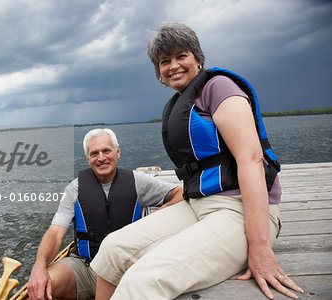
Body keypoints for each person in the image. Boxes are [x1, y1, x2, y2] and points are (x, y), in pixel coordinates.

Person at [91, 23, 304, 300]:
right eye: (164, 61)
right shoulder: (177, 104)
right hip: (198, 205)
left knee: (144, 279)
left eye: (182, 56)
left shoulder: (219, 88)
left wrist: (260, 247)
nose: (173, 66)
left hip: (240, 209)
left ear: (198, 59)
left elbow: (251, 160)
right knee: (112, 248)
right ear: (159, 74)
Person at [26, 128, 188, 300]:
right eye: (94, 153)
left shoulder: (137, 182)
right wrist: (39, 267)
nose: (101, 158)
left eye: (106, 151)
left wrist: (151, 220)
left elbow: (180, 193)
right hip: (84, 266)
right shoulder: (74, 189)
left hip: (124, 270)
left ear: (117, 152)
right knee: (43, 288)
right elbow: (55, 233)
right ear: (88, 158)